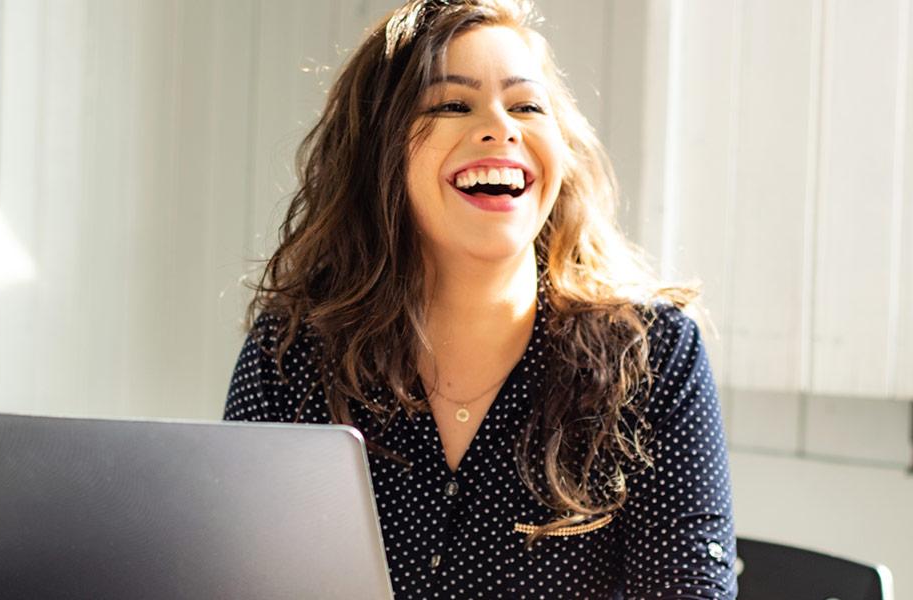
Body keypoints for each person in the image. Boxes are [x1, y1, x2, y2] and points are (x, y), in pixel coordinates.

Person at [223, 0, 737, 597]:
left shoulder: (655, 358)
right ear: (380, 152)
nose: (501, 126)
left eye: (526, 105)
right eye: (452, 104)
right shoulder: (293, 351)